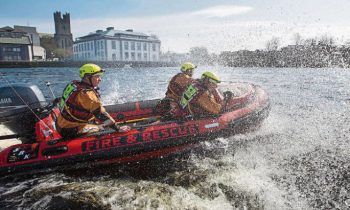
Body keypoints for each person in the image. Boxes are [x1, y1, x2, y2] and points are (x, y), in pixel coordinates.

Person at [56, 63, 130, 138]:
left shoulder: (73, 84)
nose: (100, 79)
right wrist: (117, 128)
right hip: (70, 129)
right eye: (97, 76)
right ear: (87, 77)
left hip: (60, 123)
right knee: (101, 128)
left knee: (97, 120)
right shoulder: (87, 95)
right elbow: (101, 115)